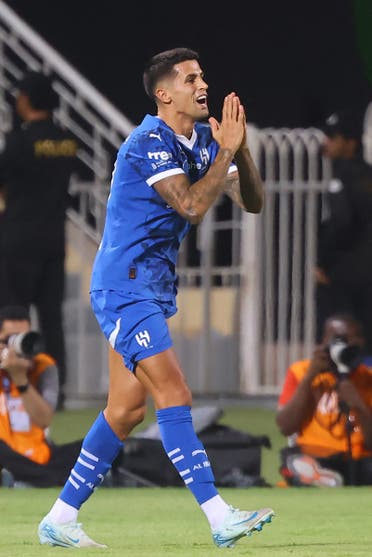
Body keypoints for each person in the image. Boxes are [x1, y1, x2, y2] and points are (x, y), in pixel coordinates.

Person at [37, 47, 274, 549]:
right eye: (190, 78)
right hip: (123, 286)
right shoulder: (148, 142)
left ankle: (59, 518)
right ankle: (218, 516)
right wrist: (226, 152)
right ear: (165, 94)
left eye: (203, 75)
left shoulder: (206, 141)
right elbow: (189, 205)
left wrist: (241, 149)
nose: (201, 84)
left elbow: (252, 203)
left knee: (125, 410)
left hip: (149, 287)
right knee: (175, 393)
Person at [0, 71, 80, 410]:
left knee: (12, 316)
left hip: (17, 240)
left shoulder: (19, 142)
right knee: (52, 320)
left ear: (27, 99)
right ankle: (54, 391)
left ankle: (12, 389)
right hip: (52, 241)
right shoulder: (67, 141)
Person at [276, 313, 372, 487]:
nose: (348, 345)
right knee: (293, 460)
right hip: (315, 456)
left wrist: (357, 403)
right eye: (340, 339)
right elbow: (285, 427)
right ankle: (318, 476)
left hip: (360, 460)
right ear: (324, 342)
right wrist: (309, 378)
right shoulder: (301, 371)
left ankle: (323, 480)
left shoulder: (367, 377)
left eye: (354, 339)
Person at [0, 305, 83, 487]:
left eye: (23, 338)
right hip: (4, 451)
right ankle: (53, 479)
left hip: (39, 453)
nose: (17, 346)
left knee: (99, 446)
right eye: (9, 339)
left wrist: (20, 379)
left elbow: (44, 419)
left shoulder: (43, 366)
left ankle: (37, 477)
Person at [315, 108, 372, 361]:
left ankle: (341, 391)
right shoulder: (367, 175)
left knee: (339, 332)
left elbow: (342, 223)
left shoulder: (341, 177)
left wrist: (322, 262)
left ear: (350, 143)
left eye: (334, 137)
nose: (327, 143)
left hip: (345, 272)